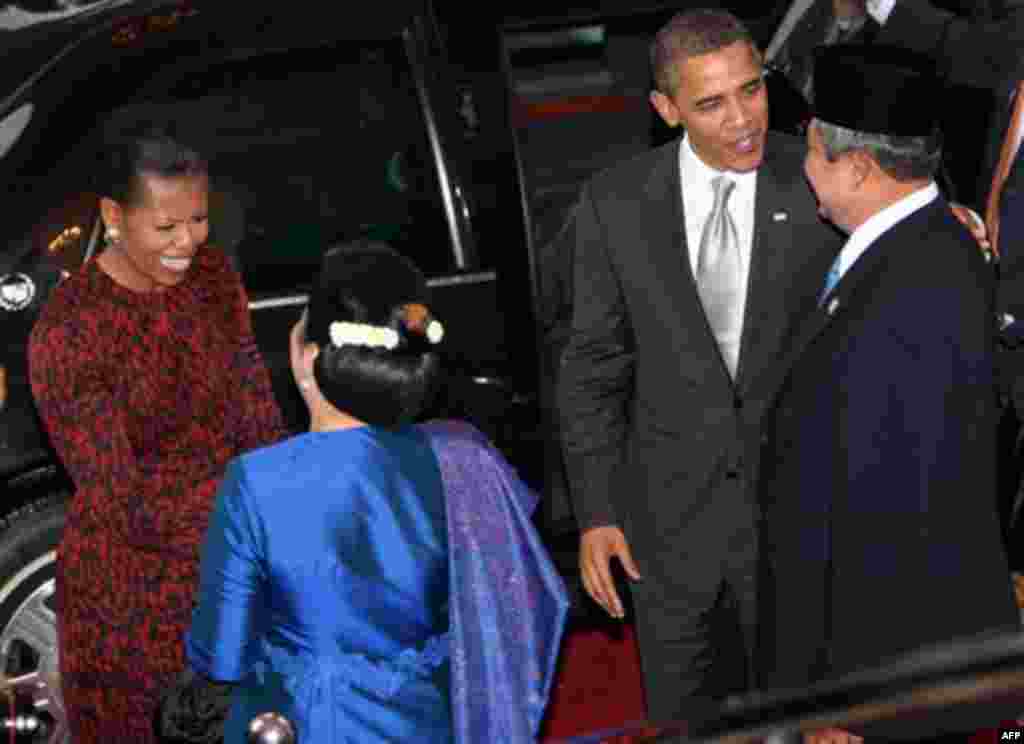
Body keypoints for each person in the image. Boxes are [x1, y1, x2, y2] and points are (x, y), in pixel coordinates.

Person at [557, 8, 844, 722]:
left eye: (752, 89)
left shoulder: (816, 179)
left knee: (797, 723)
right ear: (666, 108)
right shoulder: (615, 203)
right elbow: (593, 367)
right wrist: (596, 512)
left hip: (797, 529)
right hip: (668, 536)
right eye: (711, 103)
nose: (742, 119)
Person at [168, 242, 568, 743]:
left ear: (310, 359)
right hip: (433, 722)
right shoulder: (464, 458)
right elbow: (519, 604)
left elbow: (221, 658)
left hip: (303, 726)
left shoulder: (257, 481)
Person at [757, 44, 1021, 743]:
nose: (803, 168)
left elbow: (895, 512)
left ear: (860, 167)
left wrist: (843, 704)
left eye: (812, 151)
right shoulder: (912, 245)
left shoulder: (918, 285)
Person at [27, 117, 288, 742]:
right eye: (165, 226)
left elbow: (255, 406)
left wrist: (287, 494)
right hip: (132, 604)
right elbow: (121, 498)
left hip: (234, 578)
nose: (187, 242)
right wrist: (246, 519)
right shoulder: (71, 329)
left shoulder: (215, 280)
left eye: (198, 219)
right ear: (113, 216)